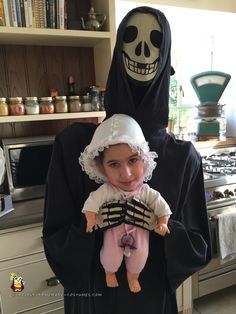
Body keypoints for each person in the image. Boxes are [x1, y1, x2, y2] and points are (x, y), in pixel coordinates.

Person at [43, 6, 212, 314]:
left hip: (151, 300)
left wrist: (164, 227)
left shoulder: (183, 159)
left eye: (156, 42)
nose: (144, 53)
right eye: (131, 39)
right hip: (91, 300)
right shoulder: (74, 148)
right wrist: (88, 226)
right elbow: (55, 239)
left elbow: (198, 246)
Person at [79, 114, 172, 293]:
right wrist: (91, 218)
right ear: (102, 168)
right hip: (113, 235)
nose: (127, 174)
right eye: (114, 164)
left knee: (140, 256)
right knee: (110, 256)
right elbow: (92, 201)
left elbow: (161, 206)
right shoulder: (107, 190)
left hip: (140, 235)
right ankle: (109, 272)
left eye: (133, 160)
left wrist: (162, 222)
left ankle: (133, 276)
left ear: (144, 160)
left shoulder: (146, 191)